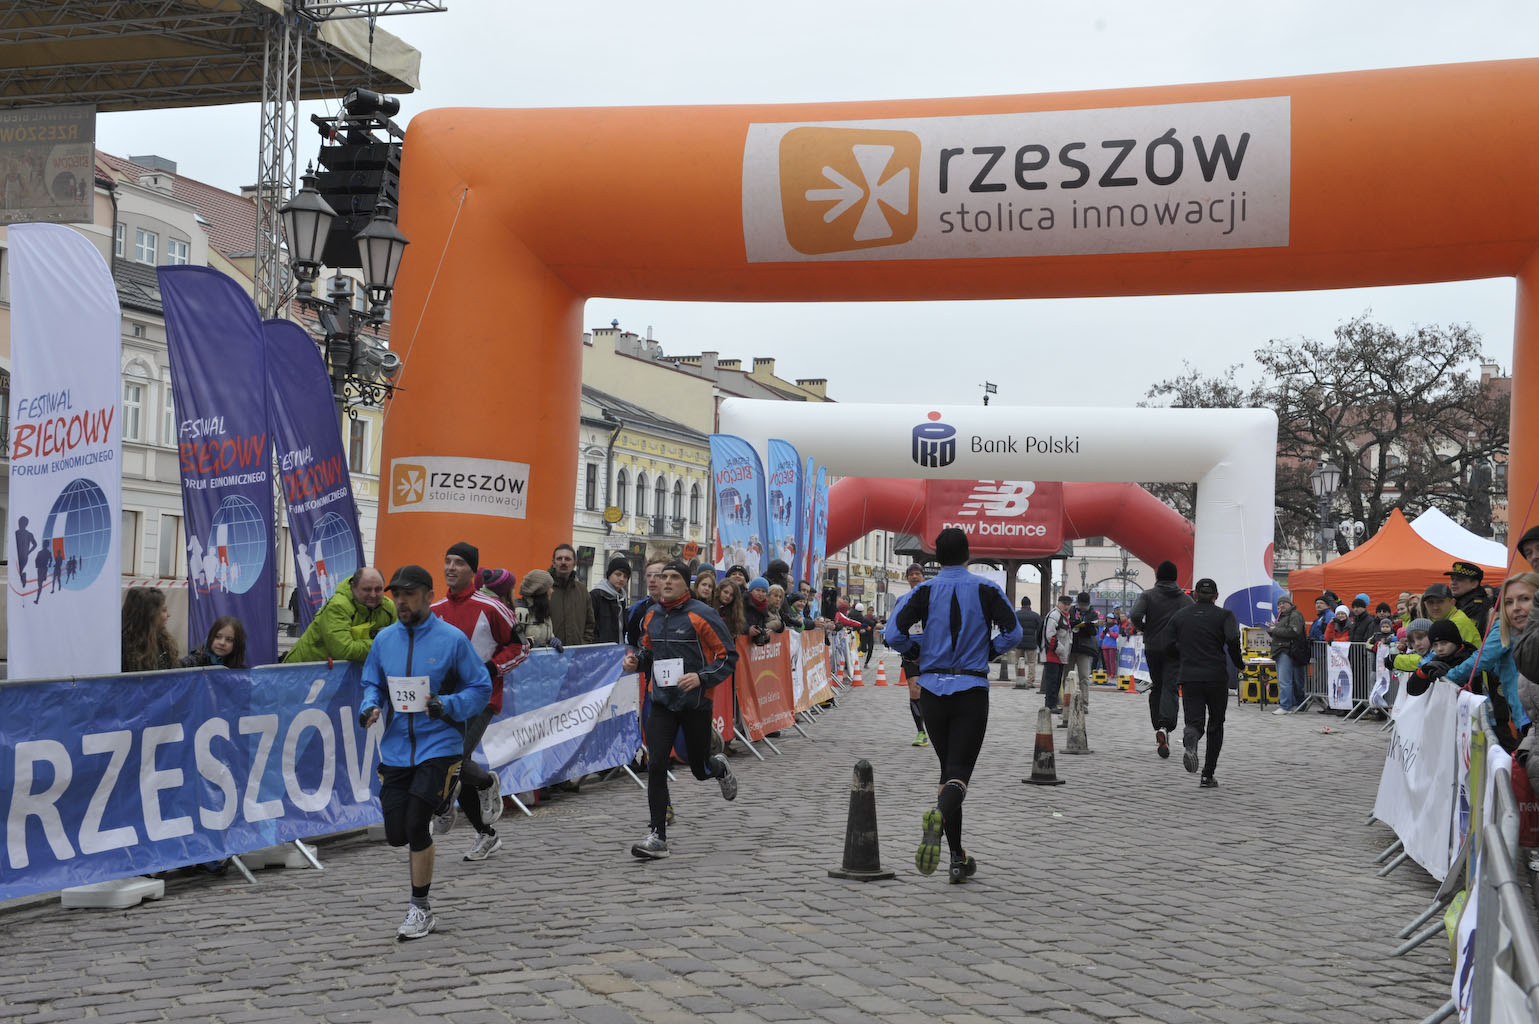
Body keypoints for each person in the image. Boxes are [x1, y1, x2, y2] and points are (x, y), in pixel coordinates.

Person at [358, 564, 491, 940]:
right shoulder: (385, 640)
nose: (401, 601)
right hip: (397, 749)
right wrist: (370, 706)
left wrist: (447, 705)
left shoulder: (452, 640)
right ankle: (446, 799)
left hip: (440, 744)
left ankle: (420, 908)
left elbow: (480, 688)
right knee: (397, 834)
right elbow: (372, 683)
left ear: (429, 596)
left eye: (409, 594)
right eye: (397, 595)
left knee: (417, 825)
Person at [884, 528, 1021, 884]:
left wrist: (916, 649)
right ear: (968, 554)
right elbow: (1014, 632)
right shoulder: (987, 589)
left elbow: (892, 635)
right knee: (959, 773)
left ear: (936, 557)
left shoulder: (923, 591)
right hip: (971, 688)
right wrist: (988, 651)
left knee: (947, 772)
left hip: (932, 690)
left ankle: (957, 857)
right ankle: (939, 817)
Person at [624, 559, 739, 859]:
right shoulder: (651, 615)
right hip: (662, 701)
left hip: (695, 702)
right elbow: (647, 651)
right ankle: (657, 836)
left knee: (699, 768)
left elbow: (728, 657)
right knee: (657, 764)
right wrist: (636, 661)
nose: (666, 581)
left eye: (673, 577)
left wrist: (701, 677)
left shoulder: (702, 615)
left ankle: (718, 767)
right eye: (663, 577)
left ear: (685, 584)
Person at [431, 542, 525, 862]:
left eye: (459, 562)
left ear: (473, 570)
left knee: (453, 758)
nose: (451, 567)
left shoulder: (492, 607)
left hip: (482, 697)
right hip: (446, 700)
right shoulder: (435, 610)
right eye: (448, 561)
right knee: (451, 763)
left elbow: (521, 647)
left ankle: (451, 801)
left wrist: (490, 668)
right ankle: (486, 830)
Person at [1441, 572, 1536, 748]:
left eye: (1524, 599)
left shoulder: (1506, 628)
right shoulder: (1509, 628)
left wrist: (1447, 677)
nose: (1516, 607)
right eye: (1508, 602)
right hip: (1524, 715)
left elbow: (1480, 659)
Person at [1165, 578, 1243, 788]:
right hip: (1216, 676)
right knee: (1216, 724)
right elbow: (1232, 639)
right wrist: (1239, 663)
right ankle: (1207, 775)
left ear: (1195, 595)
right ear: (1216, 596)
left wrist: (1182, 655)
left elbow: (1168, 643)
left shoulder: (1181, 616)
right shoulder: (1225, 615)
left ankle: (1191, 737)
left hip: (1190, 676)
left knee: (1194, 722)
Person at [1130, 561, 1194, 756]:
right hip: (1175, 649)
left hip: (1153, 647)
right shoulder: (1185, 599)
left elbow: (1135, 614)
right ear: (1175, 577)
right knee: (1170, 686)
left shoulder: (1148, 595)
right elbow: (1192, 621)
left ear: (1157, 576)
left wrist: (1145, 628)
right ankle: (1165, 726)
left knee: (1157, 685)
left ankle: (1158, 725)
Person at [283, 567, 395, 664]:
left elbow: (399, 641)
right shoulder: (338, 606)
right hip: (301, 669)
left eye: (378, 589)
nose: (373, 595)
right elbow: (344, 651)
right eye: (367, 589)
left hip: (336, 673)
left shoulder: (388, 607)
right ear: (353, 587)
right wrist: (382, 645)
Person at [895, 563, 930, 746]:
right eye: (911, 574)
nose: (915, 577)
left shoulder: (932, 598)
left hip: (932, 650)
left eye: (918, 574)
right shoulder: (902, 600)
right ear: (907, 578)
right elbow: (895, 624)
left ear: (923, 577)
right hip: (911, 650)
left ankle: (935, 727)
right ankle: (920, 732)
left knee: (930, 691)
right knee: (914, 688)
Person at [1267, 596, 1309, 715]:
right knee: (1288, 680)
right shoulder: (1282, 617)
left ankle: (1285, 706)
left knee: (1285, 680)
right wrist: (1271, 630)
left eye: (1284, 603)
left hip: (1286, 650)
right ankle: (1295, 704)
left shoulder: (1295, 615)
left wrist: (1275, 630)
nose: (1281, 605)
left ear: (1290, 604)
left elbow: (1294, 631)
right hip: (1282, 650)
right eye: (1279, 603)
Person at [548, 543, 596, 646]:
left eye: (567, 559)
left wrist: (584, 643)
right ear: (553, 563)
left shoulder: (582, 591)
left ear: (574, 563)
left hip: (577, 652)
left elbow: (590, 624)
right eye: (559, 558)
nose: (563, 562)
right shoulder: (544, 589)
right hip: (550, 652)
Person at [122, 586, 179, 672]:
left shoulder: (162, 640)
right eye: (164, 610)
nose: (168, 615)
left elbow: (174, 668)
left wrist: (197, 657)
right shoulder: (124, 649)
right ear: (150, 614)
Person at [1040, 594, 1073, 714]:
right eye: (1064, 604)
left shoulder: (1063, 616)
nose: (1066, 606)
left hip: (1059, 655)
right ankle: (1050, 705)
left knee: (1056, 681)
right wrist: (1061, 649)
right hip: (1053, 654)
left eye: (1068, 604)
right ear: (1059, 603)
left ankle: (1052, 704)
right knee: (1052, 682)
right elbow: (1050, 636)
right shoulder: (1055, 615)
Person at [1068, 592, 1100, 713]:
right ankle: (1067, 702)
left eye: (1085, 605)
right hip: (1071, 648)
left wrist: (1087, 626)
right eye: (1081, 605)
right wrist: (1074, 623)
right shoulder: (1071, 611)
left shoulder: (1092, 613)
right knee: (1068, 677)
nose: (1083, 607)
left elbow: (1095, 632)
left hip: (1085, 648)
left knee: (1084, 678)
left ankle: (1084, 704)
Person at [1445, 561, 1493, 639]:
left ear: (1474, 583)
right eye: (1452, 579)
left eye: (1459, 579)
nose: (1453, 583)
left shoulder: (1477, 606)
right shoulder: (1460, 601)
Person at [590, 555, 632, 645]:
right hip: (601, 649)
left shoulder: (621, 598)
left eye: (625, 576)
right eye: (618, 574)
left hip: (618, 648)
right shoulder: (596, 595)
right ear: (609, 575)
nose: (621, 579)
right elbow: (589, 626)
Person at [180, 615, 247, 669]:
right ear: (210, 637)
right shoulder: (196, 659)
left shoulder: (240, 671)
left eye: (229, 640)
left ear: (237, 644)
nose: (222, 643)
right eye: (217, 637)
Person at [515, 570, 559, 648]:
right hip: (526, 656)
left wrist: (553, 639)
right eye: (549, 588)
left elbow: (547, 635)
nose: (552, 591)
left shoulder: (543, 609)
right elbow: (513, 644)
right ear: (541, 591)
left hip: (544, 656)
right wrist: (528, 644)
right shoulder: (521, 612)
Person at [1011, 596, 1042, 689]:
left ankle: (1019, 679)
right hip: (1031, 643)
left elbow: (1012, 627)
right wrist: (1038, 642)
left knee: (1018, 662)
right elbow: (1040, 629)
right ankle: (1030, 682)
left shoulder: (1016, 615)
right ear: (1030, 604)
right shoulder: (1035, 616)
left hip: (1019, 642)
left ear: (1021, 604)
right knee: (1031, 663)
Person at [743, 576, 783, 644]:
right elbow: (735, 623)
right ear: (751, 591)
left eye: (763, 591)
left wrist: (766, 636)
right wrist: (748, 630)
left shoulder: (763, 608)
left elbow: (761, 628)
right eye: (757, 590)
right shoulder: (742, 603)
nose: (760, 594)